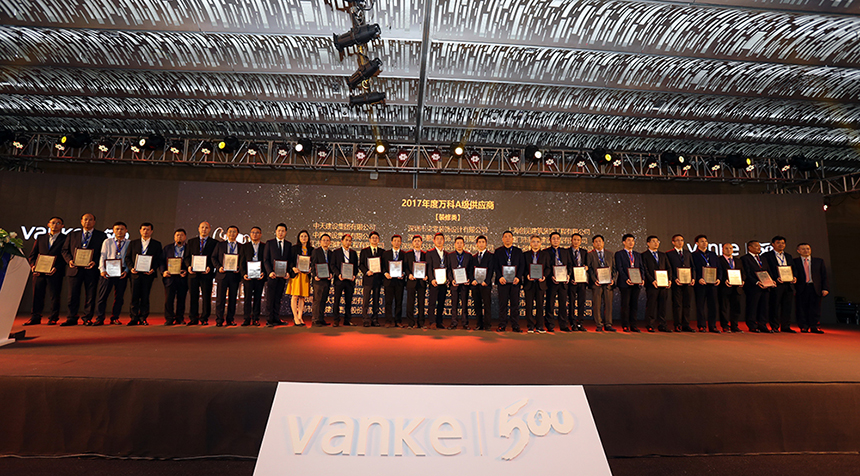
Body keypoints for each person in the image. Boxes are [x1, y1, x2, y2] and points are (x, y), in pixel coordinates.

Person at [61, 213, 106, 326]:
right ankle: (71, 317)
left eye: (90, 220)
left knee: (90, 295)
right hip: (74, 269)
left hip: (91, 270)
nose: (88, 222)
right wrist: (69, 260)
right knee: (72, 295)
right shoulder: (72, 234)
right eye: (85, 219)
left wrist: (95, 261)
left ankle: (87, 317)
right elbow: (65, 250)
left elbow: (103, 253)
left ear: (94, 222)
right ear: (81, 221)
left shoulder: (101, 235)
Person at [25, 216, 66, 326]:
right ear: (48, 224)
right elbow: (32, 255)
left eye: (58, 223)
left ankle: (53, 317)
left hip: (55, 272)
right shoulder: (41, 237)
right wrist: (33, 266)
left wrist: (56, 268)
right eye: (53, 222)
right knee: (37, 295)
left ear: (62, 226)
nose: (55, 225)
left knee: (55, 296)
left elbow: (65, 257)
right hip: (39, 272)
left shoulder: (65, 238)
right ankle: (35, 317)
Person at [125, 222, 162, 326]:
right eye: (144, 229)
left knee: (145, 297)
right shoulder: (133, 243)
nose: (145, 231)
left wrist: (153, 269)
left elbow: (159, 259)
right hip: (135, 274)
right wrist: (131, 268)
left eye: (148, 229)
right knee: (134, 297)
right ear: (140, 231)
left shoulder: (156, 244)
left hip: (148, 274)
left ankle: (143, 318)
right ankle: (133, 318)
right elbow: (127, 257)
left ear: (152, 231)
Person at [95, 221, 130, 326]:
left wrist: (126, 271)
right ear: (113, 230)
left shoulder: (129, 243)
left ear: (126, 231)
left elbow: (130, 259)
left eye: (122, 229)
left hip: (122, 271)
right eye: (117, 229)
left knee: (119, 297)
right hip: (107, 270)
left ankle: (115, 318)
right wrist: (102, 270)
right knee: (102, 296)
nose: (119, 231)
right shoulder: (107, 241)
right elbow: (102, 256)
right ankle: (100, 318)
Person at [762, 235, 797, 333]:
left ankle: (786, 326)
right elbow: (766, 270)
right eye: (778, 243)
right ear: (773, 244)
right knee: (774, 306)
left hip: (788, 285)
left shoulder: (788, 256)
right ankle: (774, 326)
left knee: (787, 307)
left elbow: (794, 269)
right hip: (776, 285)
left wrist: (794, 277)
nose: (781, 245)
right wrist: (774, 279)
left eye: (783, 243)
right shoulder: (766, 256)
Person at [185, 221, 218, 325]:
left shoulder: (215, 243)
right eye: (202, 227)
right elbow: (186, 257)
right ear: (198, 229)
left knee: (206, 297)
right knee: (193, 297)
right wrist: (188, 266)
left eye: (206, 227)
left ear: (210, 229)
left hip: (206, 274)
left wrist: (210, 267)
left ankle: (204, 318)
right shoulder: (191, 242)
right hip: (193, 274)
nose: (204, 229)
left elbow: (215, 258)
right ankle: (193, 318)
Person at [793, 243, 828, 334]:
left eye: (808, 249)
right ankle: (803, 326)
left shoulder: (819, 261)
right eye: (803, 249)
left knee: (815, 308)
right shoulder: (794, 261)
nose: (806, 251)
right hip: (801, 288)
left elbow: (824, 275)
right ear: (798, 251)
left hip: (815, 287)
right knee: (801, 308)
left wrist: (825, 288)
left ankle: (814, 326)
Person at [494, 230, 524, 333]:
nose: (507, 238)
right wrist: (499, 277)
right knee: (503, 305)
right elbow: (496, 266)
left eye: (509, 236)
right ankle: (502, 325)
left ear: (512, 239)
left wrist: (518, 277)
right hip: (503, 282)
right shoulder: (498, 251)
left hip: (515, 282)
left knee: (515, 305)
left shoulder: (518, 251)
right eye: (505, 237)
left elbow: (522, 265)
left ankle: (515, 325)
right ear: (502, 239)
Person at [692, 234, 722, 333]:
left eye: (706, 241)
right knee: (700, 305)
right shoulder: (694, 255)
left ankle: (712, 326)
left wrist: (719, 278)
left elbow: (719, 267)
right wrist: (698, 279)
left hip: (713, 283)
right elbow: (693, 269)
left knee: (713, 305)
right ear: (697, 243)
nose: (704, 243)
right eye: (702, 241)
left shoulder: (712, 254)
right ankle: (701, 325)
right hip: (701, 284)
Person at [212, 225, 241, 327]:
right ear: (226, 234)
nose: (232, 234)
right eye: (230, 232)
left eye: (234, 232)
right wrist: (218, 267)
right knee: (220, 299)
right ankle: (219, 320)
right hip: (222, 275)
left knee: (232, 299)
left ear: (237, 234)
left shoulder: (241, 246)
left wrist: (239, 268)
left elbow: (243, 260)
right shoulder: (220, 245)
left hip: (234, 276)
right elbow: (213, 257)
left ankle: (230, 320)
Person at [264, 223, 292, 327]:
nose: (281, 233)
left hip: (282, 276)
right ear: (275, 231)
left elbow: (290, 260)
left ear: (286, 232)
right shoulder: (270, 243)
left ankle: (276, 318)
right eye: (279, 230)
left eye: (283, 231)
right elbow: (266, 259)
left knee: (278, 298)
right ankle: (269, 320)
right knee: (270, 298)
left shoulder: (288, 244)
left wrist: (288, 272)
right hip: (272, 276)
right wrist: (269, 272)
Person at [641, 235, 671, 332]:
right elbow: (645, 270)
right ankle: (650, 324)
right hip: (652, 284)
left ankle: (662, 325)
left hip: (663, 284)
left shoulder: (663, 255)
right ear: (648, 243)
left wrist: (669, 280)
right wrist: (652, 280)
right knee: (651, 305)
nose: (656, 243)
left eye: (657, 241)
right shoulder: (644, 255)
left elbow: (669, 268)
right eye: (653, 241)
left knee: (663, 306)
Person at [741, 240, 772, 333]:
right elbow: (747, 273)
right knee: (752, 307)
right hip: (753, 287)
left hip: (765, 286)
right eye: (756, 246)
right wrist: (756, 282)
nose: (759, 248)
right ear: (750, 247)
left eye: (759, 246)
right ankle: (752, 325)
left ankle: (762, 324)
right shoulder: (745, 258)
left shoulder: (763, 258)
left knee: (764, 306)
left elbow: (768, 271)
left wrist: (771, 281)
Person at [615, 234, 644, 333]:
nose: (631, 242)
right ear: (624, 242)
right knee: (625, 305)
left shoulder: (637, 254)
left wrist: (642, 278)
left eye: (632, 240)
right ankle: (625, 325)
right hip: (625, 283)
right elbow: (619, 268)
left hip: (636, 283)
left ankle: (633, 325)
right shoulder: (619, 254)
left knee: (634, 305)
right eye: (628, 240)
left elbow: (641, 267)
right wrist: (626, 279)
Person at [666, 234, 696, 332]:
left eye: (682, 240)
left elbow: (693, 267)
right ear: (673, 242)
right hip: (677, 283)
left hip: (688, 283)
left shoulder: (688, 253)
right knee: (677, 304)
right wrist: (674, 278)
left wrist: (693, 278)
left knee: (687, 304)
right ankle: (677, 324)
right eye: (678, 240)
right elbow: (669, 268)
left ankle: (686, 324)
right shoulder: (669, 254)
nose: (680, 242)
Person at [587, 235, 616, 332]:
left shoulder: (610, 254)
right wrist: (594, 279)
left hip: (608, 284)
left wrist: (613, 279)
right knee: (597, 305)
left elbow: (614, 269)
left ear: (603, 242)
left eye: (600, 241)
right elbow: (589, 269)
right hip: (597, 284)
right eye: (596, 241)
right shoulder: (590, 254)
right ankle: (599, 324)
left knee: (608, 304)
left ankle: (608, 324)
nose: (598, 243)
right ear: (593, 244)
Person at [160, 228, 189, 326]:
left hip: (182, 277)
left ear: (185, 237)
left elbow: (191, 261)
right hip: (169, 277)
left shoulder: (189, 248)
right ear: (174, 237)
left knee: (181, 299)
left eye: (181, 235)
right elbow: (161, 261)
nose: (179, 237)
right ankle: (169, 318)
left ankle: (180, 318)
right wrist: (163, 272)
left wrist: (186, 271)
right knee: (169, 299)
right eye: (177, 235)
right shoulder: (167, 248)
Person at [545, 232, 571, 332]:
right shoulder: (546, 252)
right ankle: (550, 325)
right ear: (550, 240)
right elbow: (546, 267)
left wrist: (568, 275)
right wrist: (551, 276)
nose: (556, 240)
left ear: (560, 240)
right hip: (551, 282)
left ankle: (563, 324)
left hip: (563, 282)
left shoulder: (565, 251)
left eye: (557, 238)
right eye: (553, 238)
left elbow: (569, 265)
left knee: (563, 304)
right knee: (550, 303)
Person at [522, 234, 549, 333]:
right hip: (529, 283)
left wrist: (544, 276)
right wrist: (527, 275)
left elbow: (548, 268)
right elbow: (523, 268)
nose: (536, 243)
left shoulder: (545, 255)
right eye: (533, 241)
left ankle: (540, 326)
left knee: (540, 306)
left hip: (540, 284)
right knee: (529, 306)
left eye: (538, 242)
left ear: (541, 243)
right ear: (530, 243)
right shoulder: (525, 255)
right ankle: (530, 326)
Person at [240, 226, 266, 327]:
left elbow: (266, 261)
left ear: (261, 234)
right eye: (253, 232)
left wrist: (263, 273)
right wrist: (244, 274)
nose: (255, 234)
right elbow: (241, 262)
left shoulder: (264, 246)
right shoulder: (245, 246)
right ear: (250, 234)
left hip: (259, 277)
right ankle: (246, 319)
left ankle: (256, 319)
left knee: (257, 298)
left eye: (257, 233)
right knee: (247, 298)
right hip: (248, 277)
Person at [446, 236, 473, 329]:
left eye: (461, 243)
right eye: (457, 243)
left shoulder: (468, 256)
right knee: (454, 305)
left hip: (465, 284)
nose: (459, 245)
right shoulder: (450, 256)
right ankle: (454, 323)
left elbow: (470, 270)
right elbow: (448, 270)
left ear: (464, 244)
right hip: (454, 284)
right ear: (454, 244)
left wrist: (469, 279)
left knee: (464, 305)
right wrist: (451, 280)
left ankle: (465, 323)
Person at [286, 230, 312, 326]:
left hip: (305, 275)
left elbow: (313, 262)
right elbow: (290, 260)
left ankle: (300, 316)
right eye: (302, 236)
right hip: (296, 275)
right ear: (299, 238)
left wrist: (310, 269)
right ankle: (295, 317)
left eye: (305, 236)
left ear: (308, 238)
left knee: (302, 297)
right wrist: (293, 268)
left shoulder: (311, 249)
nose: (303, 238)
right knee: (295, 296)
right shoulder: (294, 248)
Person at [331, 234, 358, 327]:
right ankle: (336, 320)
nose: (348, 242)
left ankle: (347, 320)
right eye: (346, 240)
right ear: (342, 241)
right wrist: (338, 274)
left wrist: (354, 275)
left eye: (350, 240)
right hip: (339, 280)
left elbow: (356, 267)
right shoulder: (336, 252)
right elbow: (332, 265)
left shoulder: (353, 253)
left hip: (350, 281)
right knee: (337, 300)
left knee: (348, 301)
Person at [359, 231, 385, 327]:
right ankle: (365, 319)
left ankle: (375, 319)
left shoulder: (382, 252)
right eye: (373, 238)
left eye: (376, 238)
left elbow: (384, 266)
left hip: (378, 280)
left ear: (378, 240)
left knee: (376, 300)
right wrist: (366, 271)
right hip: (368, 279)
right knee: (366, 300)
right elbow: (361, 265)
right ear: (369, 239)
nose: (374, 239)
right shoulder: (364, 251)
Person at [718, 242, 744, 333]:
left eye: (730, 248)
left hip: (737, 288)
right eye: (726, 248)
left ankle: (735, 326)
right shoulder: (719, 260)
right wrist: (724, 280)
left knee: (736, 308)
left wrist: (743, 280)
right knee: (724, 308)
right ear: (722, 250)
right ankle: (725, 326)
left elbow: (743, 272)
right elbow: (718, 273)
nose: (729, 250)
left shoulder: (738, 260)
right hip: (725, 287)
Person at [471, 235, 494, 331]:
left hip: (485, 285)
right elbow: (470, 271)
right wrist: (472, 280)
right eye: (479, 242)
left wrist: (487, 281)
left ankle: (487, 325)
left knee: (487, 305)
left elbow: (491, 270)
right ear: (477, 244)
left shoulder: (490, 256)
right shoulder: (474, 257)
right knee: (477, 305)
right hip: (475, 285)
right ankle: (479, 324)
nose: (481, 244)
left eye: (483, 242)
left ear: (486, 244)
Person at [404, 235, 427, 329]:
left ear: (421, 243)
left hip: (422, 282)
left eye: (418, 241)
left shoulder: (425, 254)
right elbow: (405, 267)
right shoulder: (407, 254)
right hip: (411, 281)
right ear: (412, 243)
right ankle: (410, 323)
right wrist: (409, 274)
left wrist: (426, 276)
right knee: (410, 302)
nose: (417, 242)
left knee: (421, 303)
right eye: (415, 241)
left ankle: (421, 323)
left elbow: (428, 266)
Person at [382, 234, 405, 327]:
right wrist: (385, 273)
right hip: (389, 281)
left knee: (399, 302)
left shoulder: (404, 254)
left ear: (401, 242)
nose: (396, 242)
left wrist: (403, 273)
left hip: (399, 281)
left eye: (398, 241)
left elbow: (406, 267)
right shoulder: (386, 254)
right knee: (388, 302)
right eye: (395, 241)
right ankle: (388, 320)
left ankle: (398, 321)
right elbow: (382, 266)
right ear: (391, 242)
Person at [567, 233, 589, 332]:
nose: (576, 242)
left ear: (581, 241)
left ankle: (580, 322)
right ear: (571, 240)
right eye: (574, 239)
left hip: (582, 281)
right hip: (572, 281)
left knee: (581, 302)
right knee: (571, 302)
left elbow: (587, 264)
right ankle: (572, 323)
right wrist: (571, 277)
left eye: (578, 240)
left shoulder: (584, 252)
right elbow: (567, 266)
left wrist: (586, 267)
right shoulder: (567, 252)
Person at [427, 233, 448, 330]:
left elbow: (448, 268)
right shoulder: (430, 253)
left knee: (441, 302)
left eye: (441, 239)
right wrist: (431, 279)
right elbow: (429, 268)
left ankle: (439, 321)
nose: (439, 241)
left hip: (443, 282)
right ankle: (432, 322)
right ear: (434, 241)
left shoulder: (447, 254)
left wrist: (448, 279)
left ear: (444, 241)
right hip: (434, 282)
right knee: (432, 302)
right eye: (437, 239)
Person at [310, 234, 333, 327]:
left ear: (330, 242)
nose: (325, 242)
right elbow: (313, 264)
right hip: (318, 280)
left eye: (327, 240)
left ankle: (321, 319)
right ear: (320, 242)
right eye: (324, 240)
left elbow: (332, 265)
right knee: (317, 300)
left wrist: (331, 273)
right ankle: (315, 320)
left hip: (327, 280)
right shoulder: (316, 251)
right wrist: (315, 275)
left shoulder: (331, 253)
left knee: (323, 300)